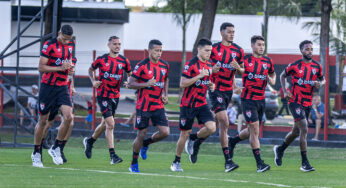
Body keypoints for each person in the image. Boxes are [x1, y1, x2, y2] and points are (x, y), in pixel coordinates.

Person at [274, 40, 325, 172]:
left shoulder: (316, 66)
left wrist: (321, 83)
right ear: (301, 51)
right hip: (295, 101)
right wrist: (285, 91)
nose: (310, 51)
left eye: (311, 49)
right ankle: (304, 163)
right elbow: (282, 75)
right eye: (307, 49)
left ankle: (280, 149)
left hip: (308, 103)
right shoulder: (295, 65)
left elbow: (322, 78)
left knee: (296, 132)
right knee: (304, 127)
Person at [228, 35, 276, 173]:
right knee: (255, 131)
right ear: (252, 46)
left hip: (261, 100)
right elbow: (235, 71)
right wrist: (235, 86)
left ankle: (233, 141)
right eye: (259, 44)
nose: (261, 47)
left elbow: (273, 74)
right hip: (248, 100)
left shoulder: (268, 61)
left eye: (263, 44)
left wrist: (272, 80)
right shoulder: (246, 59)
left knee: (251, 131)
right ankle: (260, 163)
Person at [83, 36, 131, 165]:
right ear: (108, 45)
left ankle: (90, 141)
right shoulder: (102, 59)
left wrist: (128, 82)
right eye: (114, 44)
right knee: (111, 124)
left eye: (119, 44)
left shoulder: (124, 61)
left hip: (115, 96)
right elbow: (90, 70)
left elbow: (130, 74)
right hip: (103, 95)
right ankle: (113, 156)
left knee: (105, 124)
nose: (117, 46)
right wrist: (93, 81)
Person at [31, 24, 75, 167]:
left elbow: (68, 64)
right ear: (59, 33)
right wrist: (59, 68)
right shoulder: (49, 45)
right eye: (63, 38)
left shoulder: (70, 45)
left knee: (69, 117)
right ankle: (36, 153)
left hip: (62, 86)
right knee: (43, 121)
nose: (65, 41)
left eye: (68, 39)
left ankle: (56, 147)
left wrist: (70, 71)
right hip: (48, 87)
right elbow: (41, 67)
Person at [170, 38, 216, 172]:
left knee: (212, 127)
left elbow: (207, 81)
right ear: (199, 49)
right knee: (184, 134)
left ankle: (193, 138)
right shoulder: (191, 64)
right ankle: (176, 162)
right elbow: (182, 83)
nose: (209, 53)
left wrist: (211, 85)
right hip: (188, 104)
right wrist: (199, 76)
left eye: (210, 51)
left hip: (201, 103)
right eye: (207, 50)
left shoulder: (209, 64)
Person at [128, 39, 170, 173]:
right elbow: (130, 83)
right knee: (141, 133)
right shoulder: (142, 65)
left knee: (165, 132)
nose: (159, 53)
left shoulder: (164, 65)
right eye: (156, 51)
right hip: (143, 105)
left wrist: (165, 94)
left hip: (158, 104)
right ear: (149, 51)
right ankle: (134, 163)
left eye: (161, 51)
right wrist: (146, 84)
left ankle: (146, 144)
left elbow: (166, 79)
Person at [209, 22, 243, 172]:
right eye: (229, 32)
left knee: (216, 125)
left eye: (233, 32)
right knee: (225, 121)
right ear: (222, 32)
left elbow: (242, 72)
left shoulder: (238, 50)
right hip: (215, 89)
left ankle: (195, 140)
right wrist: (211, 69)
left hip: (228, 91)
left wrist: (238, 71)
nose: (232, 34)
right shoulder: (213, 49)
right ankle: (228, 161)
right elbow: (203, 66)